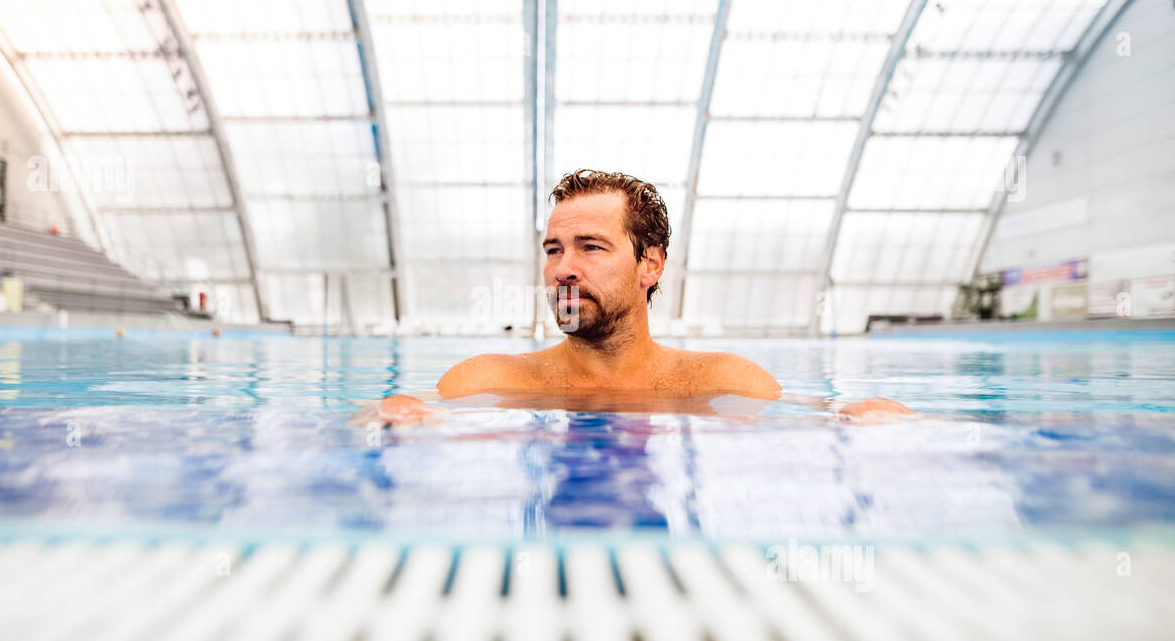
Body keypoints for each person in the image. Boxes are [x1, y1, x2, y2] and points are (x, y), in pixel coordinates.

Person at [367, 169, 913, 425]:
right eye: (553, 249)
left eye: (591, 247)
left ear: (649, 264)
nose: (564, 269)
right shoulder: (486, 380)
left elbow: (820, 416)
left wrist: (855, 412)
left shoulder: (723, 380)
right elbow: (393, 418)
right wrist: (390, 415)